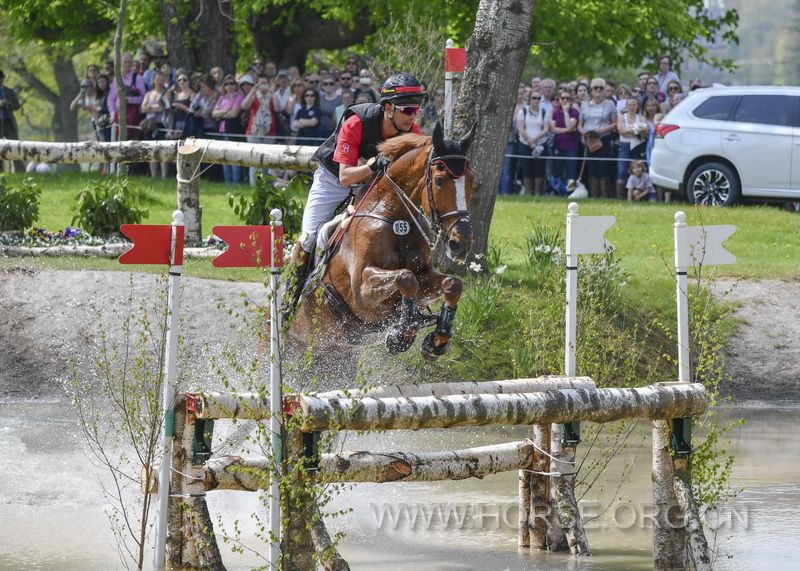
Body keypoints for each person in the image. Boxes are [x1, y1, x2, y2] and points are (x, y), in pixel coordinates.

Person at [284, 72, 426, 313]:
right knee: (309, 237)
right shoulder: (356, 121)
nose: (413, 117)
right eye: (407, 110)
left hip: (370, 185)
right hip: (333, 180)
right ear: (388, 108)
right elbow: (345, 176)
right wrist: (372, 165)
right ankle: (288, 298)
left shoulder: (412, 131)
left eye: (416, 110)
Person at [578, 77, 617, 198]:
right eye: (596, 88)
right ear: (591, 90)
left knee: (603, 167)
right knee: (591, 167)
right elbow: (580, 124)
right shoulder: (584, 105)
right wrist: (583, 132)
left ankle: (604, 196)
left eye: (601, 88)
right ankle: (594, 195)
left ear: (605, 90)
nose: (598, 90)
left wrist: (603, 130)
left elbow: (615, 124)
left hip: (603, 139)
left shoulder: (610, 104)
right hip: (589, 139)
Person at [242, 75, 277, 185]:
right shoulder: (254, 95)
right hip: (253, 132)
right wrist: (253, 90)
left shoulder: (272, 96)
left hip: (269, 133)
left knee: (267, 161)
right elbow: (244, 106)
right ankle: (254, 186)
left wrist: (273, 92)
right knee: (254, 161)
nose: (263, 86)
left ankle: (266, 187)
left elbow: (277, 108)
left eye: (265, 83)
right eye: (260, 83)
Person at [515, 90, 550, 196]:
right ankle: (528, 193)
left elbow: (546, 129)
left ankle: (538, 194)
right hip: (525, 144)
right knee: (526, 169)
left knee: (539, 169)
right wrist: (530, 141)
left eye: (539, 98)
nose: (536, 100)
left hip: (540, 144)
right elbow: (520, 128)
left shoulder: (544, 112)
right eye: (534, 98)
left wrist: (534, 140)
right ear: (529, 99)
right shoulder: (522, 111)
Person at [107, 52, 147, 142]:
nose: (127, 64)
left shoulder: (138, 78)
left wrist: (128, 100)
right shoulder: (117, 78)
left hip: (134, 116)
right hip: (119, 116)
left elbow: (143, 98)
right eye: (125, 62)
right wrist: (113, 114)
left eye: (130, 62)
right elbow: (111, 99)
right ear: (121, 63)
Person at [212, 74, 245, 182]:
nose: (229, 86)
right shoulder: (222, 98)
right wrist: (226, 111)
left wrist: (221, 113)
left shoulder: (239, 97)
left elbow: (234, 114)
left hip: (234, 129)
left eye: (232, 83)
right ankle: (227, 181)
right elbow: (214, 113)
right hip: (222, 130)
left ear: (235, 85)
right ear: (224, 86)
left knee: (234, 156)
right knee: (224, 156)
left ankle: (236, 181)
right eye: (227, 84)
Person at [616, 97, 648, 198]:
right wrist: (636, 131)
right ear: (627, 106)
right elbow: (621, 131)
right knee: (622, 171)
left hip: (638, 147)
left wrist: (628, 130)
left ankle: (638, 196)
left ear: (637, 106)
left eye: (634, 105)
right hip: (625, 146)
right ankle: (620, 197)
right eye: (629, 105)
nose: (632, 107)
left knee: (639, 170)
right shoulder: (622, 117)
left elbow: (644, 133)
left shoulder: (641, 118)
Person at [140, 71, 170, 178]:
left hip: (161, 124)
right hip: (149, 126)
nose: (159, 82)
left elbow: (165, 108)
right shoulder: (149, 94)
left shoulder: (166, 94)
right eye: (157, 79)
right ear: (153, 81)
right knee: (151, 151)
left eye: (162, 80)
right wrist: (156, 108)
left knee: (162, 151)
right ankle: (153, 176)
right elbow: (143, 108)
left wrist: (151, 108)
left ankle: (164, 176)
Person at [550, 90, 581, 190]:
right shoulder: (555, 113)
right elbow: (553, 129)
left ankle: (571, 192)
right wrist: (568, 130)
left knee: (571, 172)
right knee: (558, 170)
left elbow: (570, 124)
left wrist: (566, 112)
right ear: (559, 100)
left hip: (571, 147)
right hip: (558, 146)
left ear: (571, 101)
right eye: (563, 98)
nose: (565, 100)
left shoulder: (574, 112)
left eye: (567, 98)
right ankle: (560, 191)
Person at [0, 70, 24, 173]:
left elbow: (17, 106)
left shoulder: (9, 91)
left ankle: (19, 171)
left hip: (9, 122)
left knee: (15, 146)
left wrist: (8, 103)